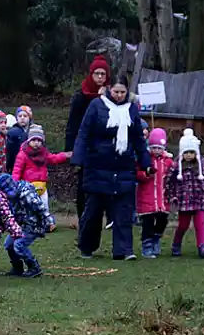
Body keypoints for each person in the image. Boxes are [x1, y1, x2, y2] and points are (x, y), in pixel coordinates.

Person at [72, 74, 152, 261]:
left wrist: (145, 162)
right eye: (116, 91)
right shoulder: (96, 106)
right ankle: (87, 246)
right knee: (93, 212)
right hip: (97, 165)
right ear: (109, 89)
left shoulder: (132, 109)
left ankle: (123, 250)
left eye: (122, 92)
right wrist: (78, 159)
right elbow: (84, 133)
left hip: (123, 166)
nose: (118, 95)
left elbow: (138, 139)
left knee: (123, 212)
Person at [65, 56, 111, 220]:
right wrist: (71, 149)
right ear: (91, 74)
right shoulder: (81, 96)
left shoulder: (112, 95)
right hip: (85, 145)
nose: (100, 77)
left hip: (104, 146)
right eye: (97, 73)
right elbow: (73, 124)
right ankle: (82, 217)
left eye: (103, 74)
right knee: (83, 184)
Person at [166, 129, 204, 259]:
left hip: (199, 199)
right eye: (186, 152)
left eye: (191, 152)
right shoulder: (176, 166)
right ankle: (176, 244)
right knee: (183, 225)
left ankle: (202, 246)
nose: (189, 155)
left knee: (199, 224)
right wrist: (171, 197)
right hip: (184, 201)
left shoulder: (202, 164)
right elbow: (169, 183)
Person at [0, 173, 55, 278]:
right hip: (21, 224)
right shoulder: (8, 197)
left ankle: (34, 267)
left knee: (19, 244)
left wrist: (49, 221)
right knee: (8, 244)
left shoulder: (27, 194)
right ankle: (17, 268)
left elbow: (40, 207)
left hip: (34, 225)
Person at [10, 124, 72, 212]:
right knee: (30, 208)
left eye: (39, 140)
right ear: (29, 140)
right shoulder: (23, 154)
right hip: (28, 187)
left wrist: (64, 155)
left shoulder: (44, 153)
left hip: (42, 186)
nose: (36, 142)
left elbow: (53, 158)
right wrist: (14, 184)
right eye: (34, 140)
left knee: (44, 207)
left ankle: (46, 224)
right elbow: (17, 170)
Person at [136, 128, 174, 258]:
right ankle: (147, 247)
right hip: (147, 198)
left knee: (162, 220)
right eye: (154, 147)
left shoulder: (168, 161)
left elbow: (172, 176)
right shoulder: (145, 159)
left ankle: (156, 239)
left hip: (163, 199)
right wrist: (147, 173)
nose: (156, 150)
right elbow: (137, 174)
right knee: (147, 223)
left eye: (159, 148)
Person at [5, 105, 32, 173]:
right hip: (16, 165)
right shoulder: (13, 132)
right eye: (20, 116)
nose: (22, 118)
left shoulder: (34, 131)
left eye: (25, 116)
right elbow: (9, 152)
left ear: (29, 117)